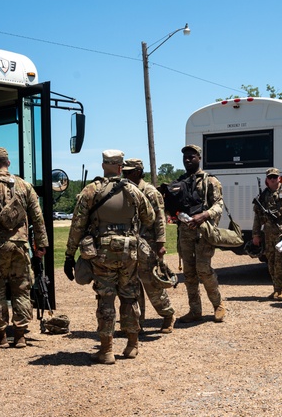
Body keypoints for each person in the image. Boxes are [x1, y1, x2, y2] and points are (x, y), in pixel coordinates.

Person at [64, 150, 154, 364]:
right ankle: (132, 345)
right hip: (128, 251)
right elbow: (149, 217)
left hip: (102, 252)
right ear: (121, 167)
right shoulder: (133, 190)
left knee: (106, 298)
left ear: (104, 165)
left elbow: (77, 225)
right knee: (129, 295)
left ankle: (106, 350)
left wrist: (69, 255)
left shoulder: (91, 191)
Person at [0, 147, 49, 349]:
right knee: (21, 289)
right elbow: (38, 218)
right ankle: (20, 335)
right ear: (8, 163)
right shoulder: (24, 186)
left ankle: (1, 335)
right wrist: (41, 245)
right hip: (21, 246)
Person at [171, 144, 227, 323]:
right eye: (185, 157)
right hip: (185, 233)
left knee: (203, 270)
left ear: (199, 158)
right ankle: (195, 310)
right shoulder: (179, 182)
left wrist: (204, 215)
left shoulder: (210, 181)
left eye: (191, 156)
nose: (187, 159)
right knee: (189, 273)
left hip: (203, 232)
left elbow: (219, 205)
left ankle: (218, 304)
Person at [122, 158, 177, 333]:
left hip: (149, 244)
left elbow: (160, 220)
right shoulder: (125, 190)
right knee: (132, 284)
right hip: (130, 244)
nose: (126, 175)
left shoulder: (151, 192)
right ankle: (136, 323)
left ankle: (168, 315)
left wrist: (160, 244)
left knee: (151, 283)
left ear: (138, 172)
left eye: (129, 172)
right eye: (124, 172)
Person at [251, 167, 282, 301]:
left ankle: (281, 289)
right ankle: (275, 288)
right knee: (271, 262)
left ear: (279, 178)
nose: (273, 179)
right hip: (268, 234)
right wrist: (255, 234)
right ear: (266, 180)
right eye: (270, 177)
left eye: (275, 177)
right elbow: (257, 216)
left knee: (280, 262)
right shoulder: (263, 196)